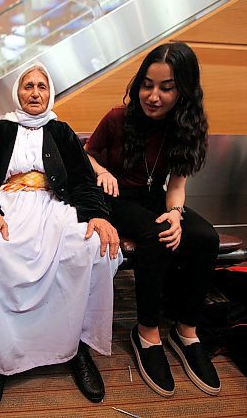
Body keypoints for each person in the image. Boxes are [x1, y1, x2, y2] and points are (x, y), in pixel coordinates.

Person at [0, 62, 122, 412]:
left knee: (92, 246)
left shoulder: (61, 131)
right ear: (17, 91)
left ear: (50, 93)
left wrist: (97, 216)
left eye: (41, 86)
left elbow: (81, 181)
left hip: (54, 206)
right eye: (28, 86)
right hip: (6, 206)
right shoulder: (1, 128)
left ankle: (75, 347)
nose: (35, 92)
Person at [84, 42, 221, 397]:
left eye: (166, 87)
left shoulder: (185, 127)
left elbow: (176, 185)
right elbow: (85, 156)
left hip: (153, 198)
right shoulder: (118, 118)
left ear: (184, 90)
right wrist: (101, 171)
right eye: (147, 84)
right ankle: (146, 333)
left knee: (206, 237)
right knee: (157, 234)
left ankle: (186, 330)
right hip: (114, 198)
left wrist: (176, 214)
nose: (153, 95)